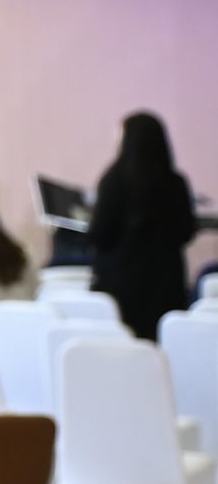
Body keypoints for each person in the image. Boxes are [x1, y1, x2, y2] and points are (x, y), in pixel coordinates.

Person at [88, 110, 196, 336]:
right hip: (167, 289)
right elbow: (186, 232)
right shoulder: (176, 183)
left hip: (119, 289)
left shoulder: (113, 181)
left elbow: (100, 235)